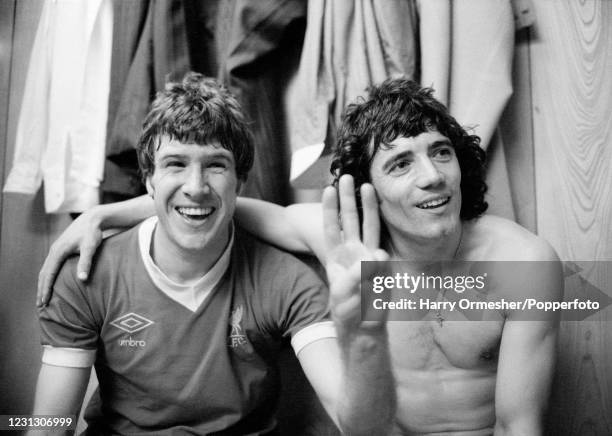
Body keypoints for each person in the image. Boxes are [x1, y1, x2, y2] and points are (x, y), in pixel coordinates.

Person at [38, 78, 562, 435]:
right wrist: (106, 215)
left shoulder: (525, 264)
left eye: (441, 151)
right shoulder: (336, 237)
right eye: (400, 163)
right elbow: (213, 200)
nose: (432, 176)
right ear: (365, 190)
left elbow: (520, 425)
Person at [29, 73, 395, 435]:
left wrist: (367, 336)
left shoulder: (436, 280)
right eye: (175, 163)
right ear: (148, 178)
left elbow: (360, 426)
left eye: (216, 165)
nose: (428, 179)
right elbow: (48, 426)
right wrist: (107, 213)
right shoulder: (88, 274)